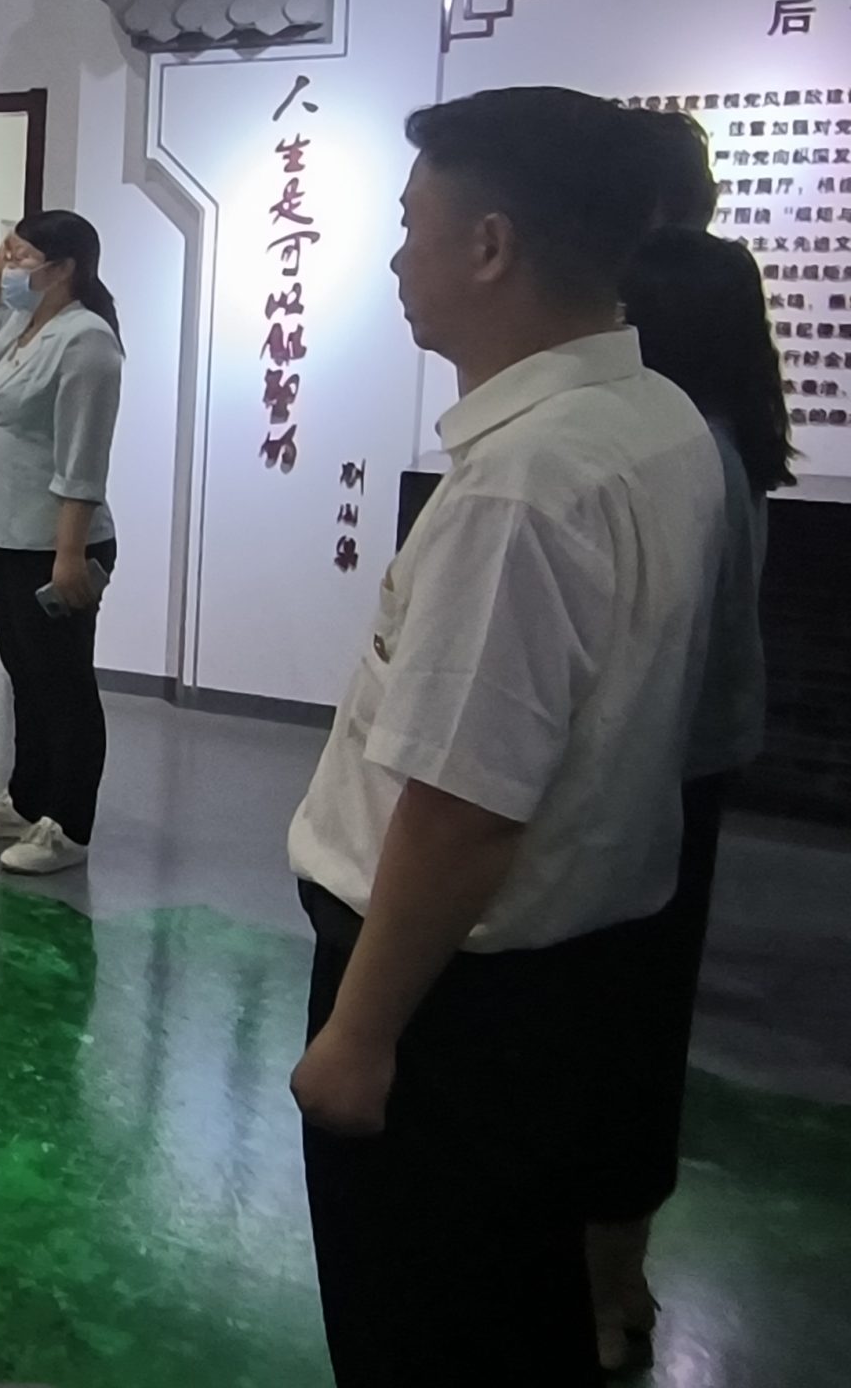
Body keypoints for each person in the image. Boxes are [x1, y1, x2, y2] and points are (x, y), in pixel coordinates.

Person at [285, 89, 725, 1387]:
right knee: (511, 1311)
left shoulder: (525, 486)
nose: (395, 259)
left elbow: (463, 808)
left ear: (489, 245)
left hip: (451, 1010)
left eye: (409, 224)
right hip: (569, 980)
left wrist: (361, 1035)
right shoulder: (657, 420)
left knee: (422, 1328)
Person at [583, 222, 790, 1371]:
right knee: (641, 1031)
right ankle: (618, 1276)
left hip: (650, 779)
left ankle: (604, 1280)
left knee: (618, 1033)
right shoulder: (728, 444)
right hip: (693, 771)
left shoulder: (680, 457)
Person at [0, 209, 125, 877]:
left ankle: (68, 825)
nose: (8, 266)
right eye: (8, 252)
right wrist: (1, 261)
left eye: (21, 256)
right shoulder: (20, 325)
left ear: (63, 268)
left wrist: (69, 554)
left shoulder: (87, 343)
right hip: (0, 531)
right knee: (24, 675)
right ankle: (26, 800)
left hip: (55, 544)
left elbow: (83, 463)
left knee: (64, 684)